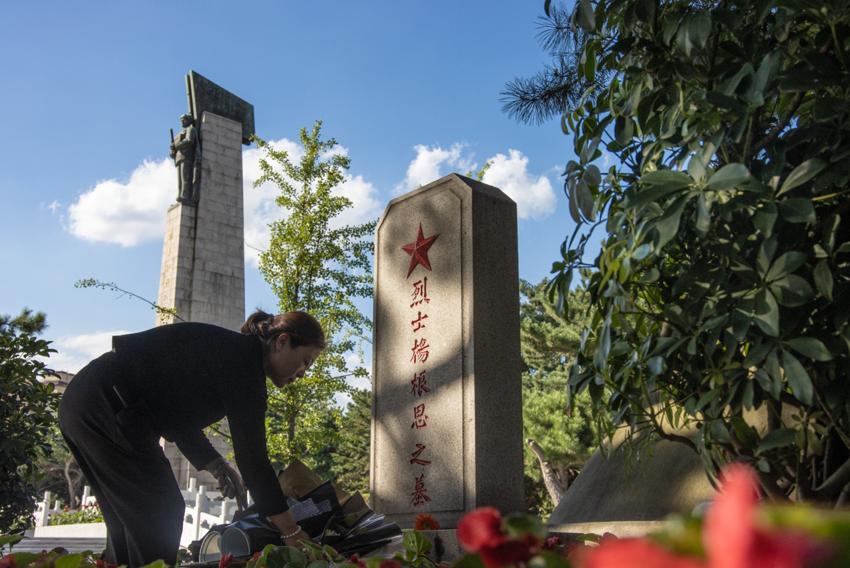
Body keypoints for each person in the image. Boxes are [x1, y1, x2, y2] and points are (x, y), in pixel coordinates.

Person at [57, 310, 325, 568]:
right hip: (107, 403)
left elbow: (175, 416)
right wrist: (292, 532)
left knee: (128, 522)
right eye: (305, 361)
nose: (303, 373)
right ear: (282, 342)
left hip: (85, 400)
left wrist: (217, 465)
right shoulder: (244, 363)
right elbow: (253, 460)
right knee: (160, 512)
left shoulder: (234, 354)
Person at [169, 114, 198, 204]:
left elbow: (189, 141)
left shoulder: (190, 129)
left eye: (185, 119)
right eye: (181, 120)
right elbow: (175, 150)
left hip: (187, 156)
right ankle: (181, 194)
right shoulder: (179, 134)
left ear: (189, 121)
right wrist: (173, 151)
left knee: (186, 177)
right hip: (179, 158)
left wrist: (176, 145)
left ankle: (185, 195)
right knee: (180, 180)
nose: (183, 121)